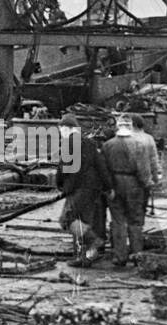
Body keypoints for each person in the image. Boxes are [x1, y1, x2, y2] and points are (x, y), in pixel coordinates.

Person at [57, 114, 111, 266]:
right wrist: (108, 187)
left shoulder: (69, 143)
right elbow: (100, 166)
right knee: (84, 222)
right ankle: (85, 258)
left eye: (61, 129)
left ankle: (95, 241)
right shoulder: (89, 142)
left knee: (67, 220)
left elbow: (63, 169)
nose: (61, 132)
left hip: (78, 189)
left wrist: (60, 184)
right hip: (93, 189)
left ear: (67, 128)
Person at [100, 115, 153, 267]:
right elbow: (143, 170)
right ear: (130, 127)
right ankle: (137, 255)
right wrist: (147, 184)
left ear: (118, 127)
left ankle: (120, 256)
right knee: (135, 221)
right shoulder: (139, 144)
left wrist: (108, 188)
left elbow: (104, 170)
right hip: (134, 184)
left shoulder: (108, 145)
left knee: (118, 221)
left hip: (115, 184)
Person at [129, 114, 163, 208]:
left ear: (132, 124)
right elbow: (154, 160)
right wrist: (155, 178)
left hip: (127, 178)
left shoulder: (125, 138)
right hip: (144, 179)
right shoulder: (149, 138)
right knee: (141, 208)